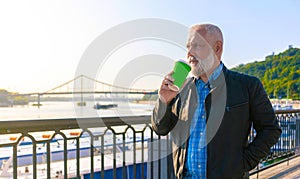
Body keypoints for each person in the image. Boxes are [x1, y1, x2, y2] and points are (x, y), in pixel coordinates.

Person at [151, 24, 281, 179]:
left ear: (217, 48)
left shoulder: (247, 86)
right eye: (188, 47)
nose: (189, 53)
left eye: (197, 46)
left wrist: (242, 163)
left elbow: (271, 129)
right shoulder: (180, 88)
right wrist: (163, 101)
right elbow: (160, 129)